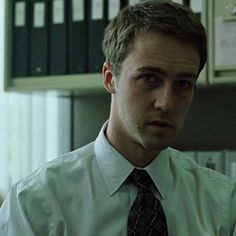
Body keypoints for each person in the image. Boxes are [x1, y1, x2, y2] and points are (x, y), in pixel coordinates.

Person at [1, 1, 236, 235]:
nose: (166, 103)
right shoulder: (36, 204)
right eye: (149, 79)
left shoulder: (223, 204)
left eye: (183, 84)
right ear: (110, 78)